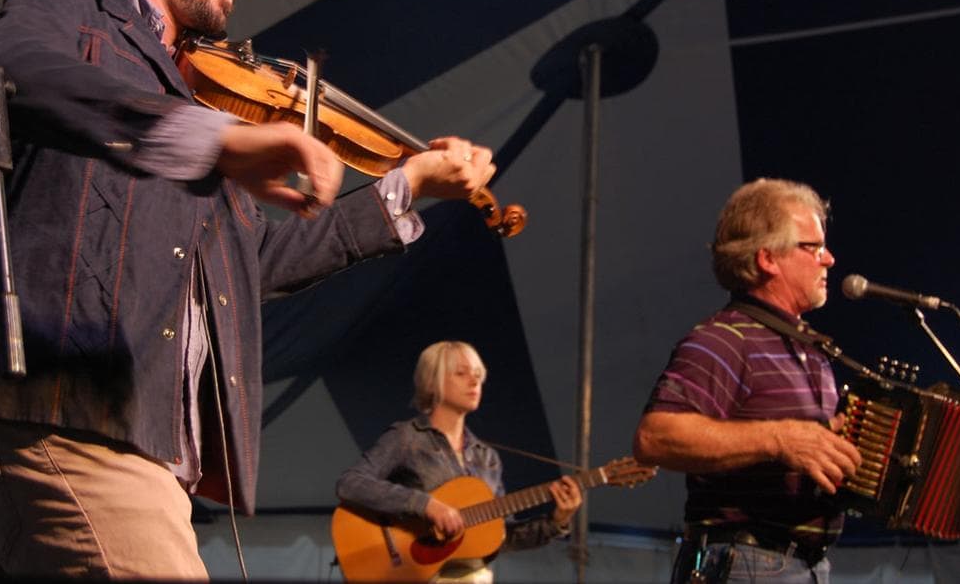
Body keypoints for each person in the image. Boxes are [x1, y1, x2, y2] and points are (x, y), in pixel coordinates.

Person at [0, 0, 498, 579]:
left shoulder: (205, 99)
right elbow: (14, 69)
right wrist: (209, 139)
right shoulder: (70, 11)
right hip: (65, 416)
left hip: (146, 447)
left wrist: (406, 186)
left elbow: (254, 265)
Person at [633, 179, 863, 583]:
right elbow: (655, 437)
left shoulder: (810, 350)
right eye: (814, 247)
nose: (829, 259)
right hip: (747, 563)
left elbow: (802, 450)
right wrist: (780, 439)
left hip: (805, 566)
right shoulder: (724, 339)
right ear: (768, 258)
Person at [335, 341, 583, 583]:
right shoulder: (406, 437)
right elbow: (350, 483)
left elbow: (501, 537)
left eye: (478, 375)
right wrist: (425, 505)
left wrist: (557, 521)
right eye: (461, 373)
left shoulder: (487, 458)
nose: (474, 382)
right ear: (432, 382)